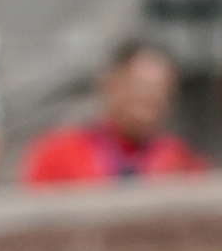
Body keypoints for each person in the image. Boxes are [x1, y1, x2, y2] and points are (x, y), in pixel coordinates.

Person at [19, 39, 206, 185]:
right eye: (139, 86)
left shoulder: (182, 161)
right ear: (111, 84)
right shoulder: (60, 153)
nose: (150, 98)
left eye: (161, 90)